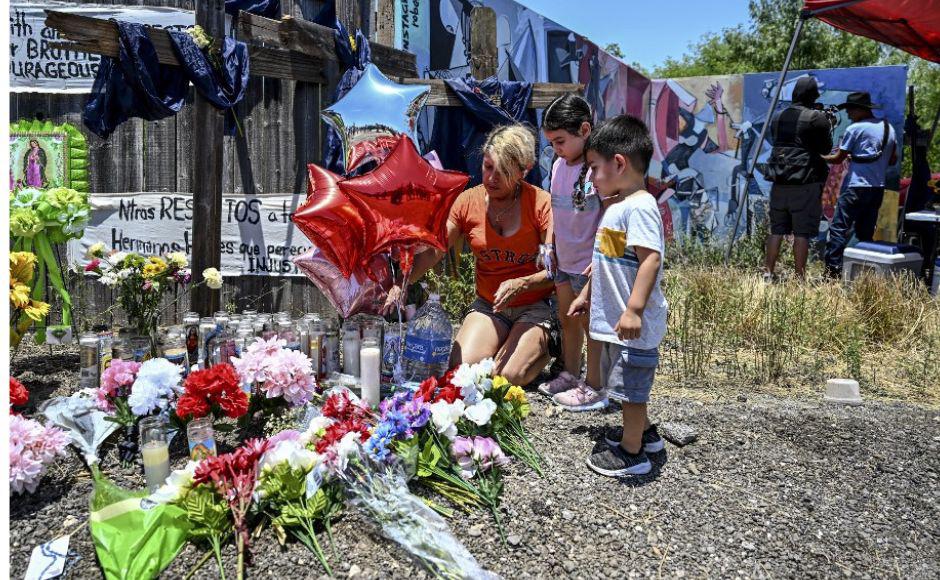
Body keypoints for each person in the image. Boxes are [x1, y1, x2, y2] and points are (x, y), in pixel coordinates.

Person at [383, 124, 554, 386]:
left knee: (508, 377)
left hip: (533, 306)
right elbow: (433, 253)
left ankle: (551, 345)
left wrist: (522, 283)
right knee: (460, 369)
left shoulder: (541, 203)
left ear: (524, 171)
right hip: (490, 306)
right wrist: (400, 284)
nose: (492, 178)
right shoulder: (467, 201)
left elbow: (557, 269)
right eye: (487, 167)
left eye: (504, 171)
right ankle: (506, 344)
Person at [568, 115, 667, 477]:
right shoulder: (619, 208)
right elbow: (605, 260)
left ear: (619, 163)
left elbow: (650, 259)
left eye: (594, 168)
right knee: (624, 384)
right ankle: (642, 433)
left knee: (631, 389)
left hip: (631, 327)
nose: (591, 177)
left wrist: (634, 310)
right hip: (616, 322)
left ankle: (632, 452)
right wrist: (589, 294)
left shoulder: (639, 206)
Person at [537, 94, 606, 411]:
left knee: (594, 327)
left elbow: (613, 218)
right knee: (567, 321)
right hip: (564, 262)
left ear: (585, 129)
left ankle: (595, 385)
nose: (556, 149)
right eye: (552, 142)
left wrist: (605, 258)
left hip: (590, 266)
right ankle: (571, 374)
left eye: (561, 141)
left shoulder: (599, 171)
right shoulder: (557, 165)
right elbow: (554, 209)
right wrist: (549, 243)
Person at [762, 76, 833, 281]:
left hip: (779, 182)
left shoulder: (778, 116)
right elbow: (825, 149)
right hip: (805, 184)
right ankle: (799, 278)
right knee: (802, 232)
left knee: (776, 229)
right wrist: (827, 123)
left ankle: (768, 273)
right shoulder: (816, 118)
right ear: (813, 96)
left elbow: (776, 141)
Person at [822, 91, 898, 277]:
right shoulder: (888, 128)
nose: (848, 115)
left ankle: (833, 273)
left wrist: (819, 157)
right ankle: (863, 273)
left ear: (859, 110)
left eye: (850, 110)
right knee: (865, 233)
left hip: (856, 187)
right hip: (877, 188)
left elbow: (837, 159)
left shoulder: (854, 129)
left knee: (839, 228)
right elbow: (892, 160)